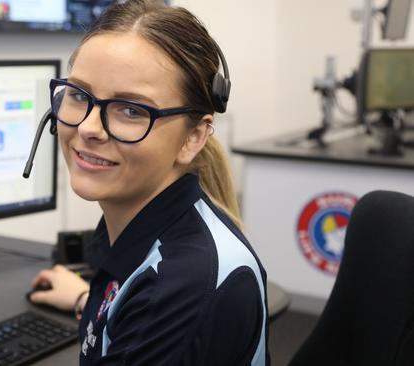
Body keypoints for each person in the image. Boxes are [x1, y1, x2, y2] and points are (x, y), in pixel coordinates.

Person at [29, 0, 269, 364]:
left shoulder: (179, 286)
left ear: (193, 138)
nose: (89, 128)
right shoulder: (138, 223)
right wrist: (87, 301)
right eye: (79, 95)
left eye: (131, 110)